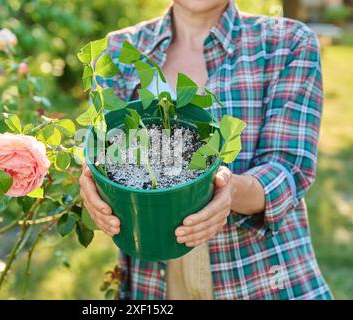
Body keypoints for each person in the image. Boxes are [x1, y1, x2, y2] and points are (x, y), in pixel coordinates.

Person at [79, 0, 332, 299]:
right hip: (155, 281)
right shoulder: (119, 50)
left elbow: (289, 169)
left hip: (257, 275)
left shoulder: (286, 43)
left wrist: (230, 190)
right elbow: (103, 147)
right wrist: (92, 182)